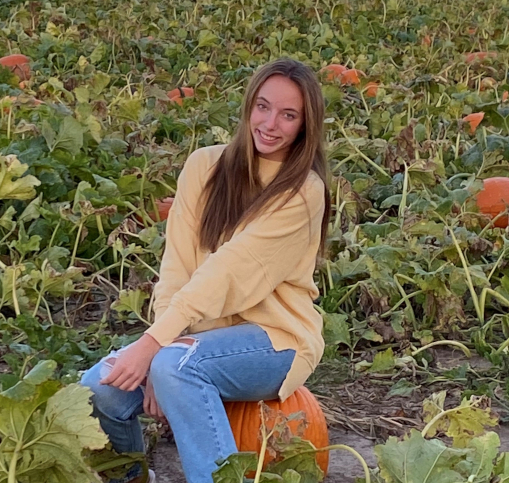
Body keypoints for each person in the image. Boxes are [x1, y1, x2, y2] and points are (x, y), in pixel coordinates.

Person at [80, 58, 331, 483]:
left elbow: (229, 271)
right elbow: (177, 265)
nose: (270, 123)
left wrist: (157, 348)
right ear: (249, 105)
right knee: (99, 387)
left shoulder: (303, 191)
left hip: (276, 341)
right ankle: (133, 477)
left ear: (306, 125)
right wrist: (162, 344)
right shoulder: (204, 165)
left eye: (288, 115)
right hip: (197, 338)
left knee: (176, 367)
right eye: (263, 107)